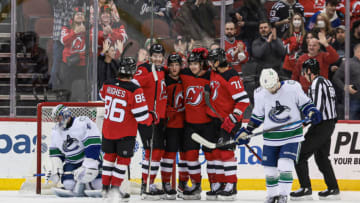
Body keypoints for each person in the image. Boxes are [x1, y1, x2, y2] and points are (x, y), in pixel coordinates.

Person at [235, 68, 322, 203]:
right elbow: (257, 117)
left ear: (277, 80)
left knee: (284, 165)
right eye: (268, 88)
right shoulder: (260, 93)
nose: (272, 90)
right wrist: (247, 131)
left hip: (292, 135)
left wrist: (311, 111)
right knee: (270, 170)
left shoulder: (293, 87)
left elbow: (306, 104)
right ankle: (271, 195)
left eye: (273, 86)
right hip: (271, 138)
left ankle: (283, 196)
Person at [99, 57, 157, 200]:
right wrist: (153, 117)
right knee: (123, 161)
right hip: (124, 132)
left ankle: (105, 189)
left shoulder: (108, 83)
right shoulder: (135, 89)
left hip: (108, 130)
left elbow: (101, 95)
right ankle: (115, 190)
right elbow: (141, 116)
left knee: (108, 159)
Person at [290, 58, 340, 201]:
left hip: (321, 125)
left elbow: (316, 111)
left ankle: (305, 187)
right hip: (328, 123)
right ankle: (333, 187)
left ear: (309, 71)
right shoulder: (326, 81)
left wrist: (303, 123)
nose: (303, 75)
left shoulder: (316, 84)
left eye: (304, 72)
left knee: (299, 155)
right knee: (322, 157)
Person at [206, 48, 250, 200]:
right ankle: (221, 183)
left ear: (218, 62)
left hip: (229, 121)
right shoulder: (214, 72)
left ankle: (232, 185)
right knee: (217, 153)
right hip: (217, 121)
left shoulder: (231, 76)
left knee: (226, 152)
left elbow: (243, 100)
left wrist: (233, 118)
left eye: (212, 61)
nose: (210, 63)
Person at [178, 48, 214, 200]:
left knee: (212, 158)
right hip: (190, 125)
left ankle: (215, 186)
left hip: (207, 125)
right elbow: (170, 69)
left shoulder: (210, 76)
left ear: (202, 64)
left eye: (196, 64)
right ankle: (196, 185)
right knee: (190, 157)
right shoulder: (184, 74)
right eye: (191, 63)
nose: (193, 66)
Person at [133, 43, 168, 200]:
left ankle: (151, 183)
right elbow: (134, 83)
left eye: (160, 56)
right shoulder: (144, 68)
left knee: (158, 151)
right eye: (155, 56)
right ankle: (144, 186)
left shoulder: (162, 70)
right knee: (150, 150)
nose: (157, 59)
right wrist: (149, 77)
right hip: (147, 117)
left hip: (160, 118)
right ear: (150, 56)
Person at [46, 104, 102, 197]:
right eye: (56, 119)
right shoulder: (55, 132)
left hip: (90, 159)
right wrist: (56, 169)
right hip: (72, 162)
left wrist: (88, 165)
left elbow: (93, 143)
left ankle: (94, 185)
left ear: (66, 114)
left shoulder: (82, 122)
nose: (57, 121)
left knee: (98, 183)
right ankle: (81, 186)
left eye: (58, 118)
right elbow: (56, 153)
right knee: (68, 184)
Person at [161, 53, 185, 199]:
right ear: (168, 66)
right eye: (172, 65)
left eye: (177, 65)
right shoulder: (164, 78)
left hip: (186, 123)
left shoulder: (186, 77)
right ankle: (166, 183)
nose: (174, 68)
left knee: (185, 156)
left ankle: (182, 184)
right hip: (170, 124)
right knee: (168, 155)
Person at [333, 43, 360, 120]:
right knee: (351, 124)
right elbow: (336, 78)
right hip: (353, 100)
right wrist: (345, 87)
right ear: (358, 51)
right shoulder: (348, 63)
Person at [282, 13, 306, 78]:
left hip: (301, 64)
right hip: (288, 66)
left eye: (299, 19)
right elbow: (285, 50)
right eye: (295, 19)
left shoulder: (305, 34)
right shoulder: (287, 34)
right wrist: (295, 43)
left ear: (302, 21)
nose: (297, 21)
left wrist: (301, 44)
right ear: (292, 21)